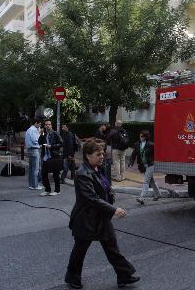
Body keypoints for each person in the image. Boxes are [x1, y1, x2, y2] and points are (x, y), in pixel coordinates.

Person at [65, 140, 139, 289]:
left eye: (103, 153)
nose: (102, 156)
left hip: (102, 217)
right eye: (98, 154)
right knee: (79, 251)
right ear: (87, 155)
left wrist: (110, 198)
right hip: (85, 219)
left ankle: (123, 276)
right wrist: (113, 209)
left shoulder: (99, 168)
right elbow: (92, 198)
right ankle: (72, 278)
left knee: (112, 248)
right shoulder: (82, 174)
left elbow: (105, 188)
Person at [129, 130, 160, 205]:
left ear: (146, 137)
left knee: (146, 181)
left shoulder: (151, 145)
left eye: (142, 136)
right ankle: (158, 194)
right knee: (151, 180)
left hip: (150, 165)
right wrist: (131, 163)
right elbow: (133, 155)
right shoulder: (137, 144)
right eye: (140, 136)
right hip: (142, 166)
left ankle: (141, 198)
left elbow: (156, 154)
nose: (140, 137)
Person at [38, 119, 63, 196]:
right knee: (43, 173)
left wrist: (52, 146)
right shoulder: (44, 134)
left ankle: (57, 190)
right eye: (46, 124)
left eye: (49, 124)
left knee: (55, 174)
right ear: (44, 126)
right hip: (46, 156)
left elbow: (61, 143)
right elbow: (39, 142)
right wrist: (41, 135)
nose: (47, 125)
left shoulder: (55, 133)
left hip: (54, 156)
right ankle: (47, 190)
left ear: (51, 125)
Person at [25, 118, 43, 190]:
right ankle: (35, 185)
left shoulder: (29, 129)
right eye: (39, 124)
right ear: (36, 123)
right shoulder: (34, 130)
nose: (40, 126)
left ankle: (31, 184)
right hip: (34, 149)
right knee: (36, 168)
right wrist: (41, 144)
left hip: (30, 149)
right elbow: (35, 140)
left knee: (31, 168)